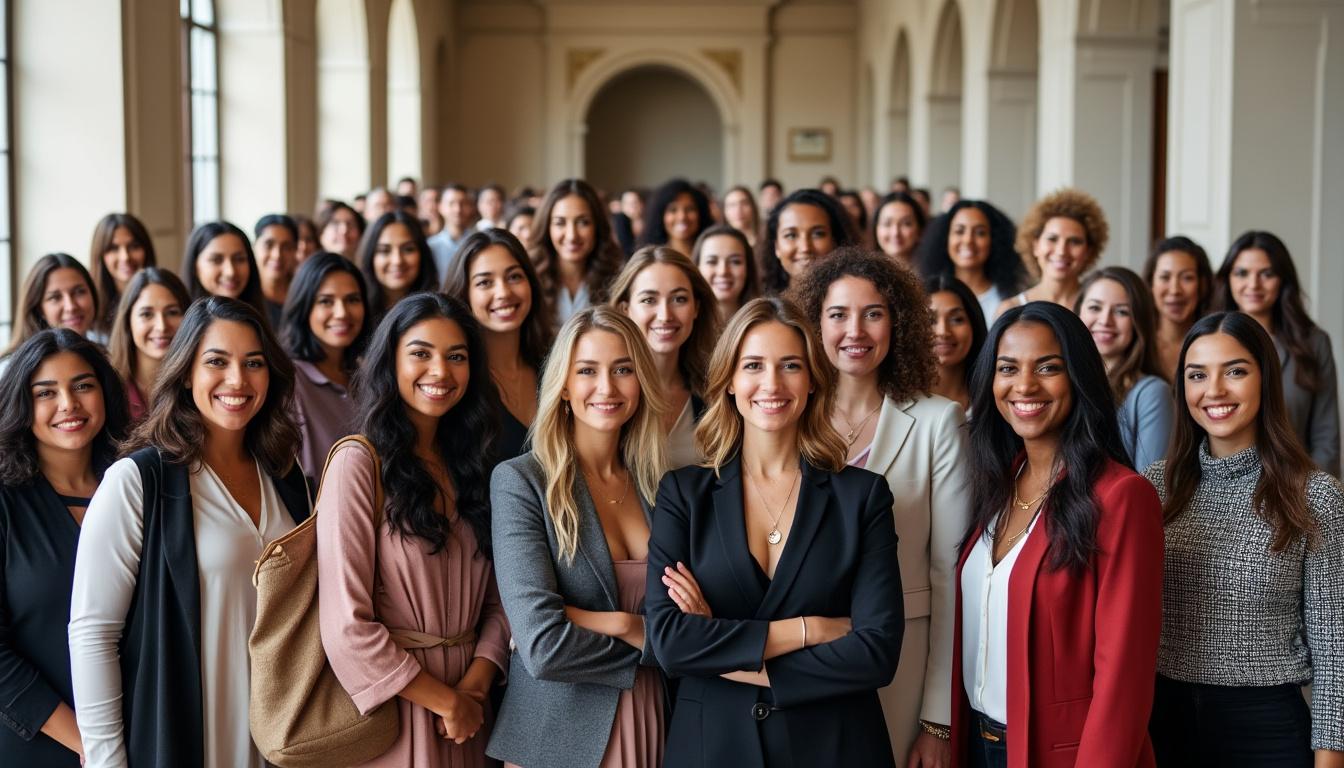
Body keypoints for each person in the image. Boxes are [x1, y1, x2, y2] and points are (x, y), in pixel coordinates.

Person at [646, 296, 904, 767]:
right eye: (753, 365)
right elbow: (672, 643)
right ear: (728, 382)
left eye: (790, 366)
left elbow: (875, 653)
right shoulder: (683, 495)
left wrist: (720, 644)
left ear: (812, 383)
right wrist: (812, 629)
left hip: (836, 747)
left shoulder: (862, 497)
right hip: (713, 747)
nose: (772, 383)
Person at [69, 297, 311, 768]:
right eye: (216, 362)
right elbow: (94, 635)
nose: (237, 380)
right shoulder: (138, 481)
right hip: (186, 732)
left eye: (254, 363)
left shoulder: (286, 474)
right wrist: (106, 761)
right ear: (184, 373)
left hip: (283, 734)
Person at [951, 301, 1164, 768]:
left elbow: (1123, 677)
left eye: (1048, 368)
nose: (1025, 385)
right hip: (976, 741)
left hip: (1061, 754)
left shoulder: (1122, 497)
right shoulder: (996, 482)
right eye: (1008, 368)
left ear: (1079, 378)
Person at [790, 250, 970, 766]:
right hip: (800, 653)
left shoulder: (939, 422)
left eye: (873, 313)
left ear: (898, 324)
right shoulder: (787, 415)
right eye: (838, 314)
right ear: (813, 323)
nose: (856, 330)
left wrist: (938, 718)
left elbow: (948, 573)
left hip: (901, 660)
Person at [1143, 311, 1343, 766]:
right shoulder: (1154, 489)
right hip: (1161, 721)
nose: (1214, 391)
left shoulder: (1315, 496)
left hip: (1266, 729)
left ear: (1265, 380)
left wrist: (1331, 759)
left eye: (1235, 371)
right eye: (1197, 375)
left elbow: (1336, 653)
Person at [317, 293, 509, 766]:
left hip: (471, 715)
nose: (440, 372)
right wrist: (444, 701)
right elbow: (346, 625)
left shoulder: (474, 465)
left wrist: (474, 690)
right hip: (393, 712)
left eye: (456, 357)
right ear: (391, 361)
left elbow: (500, 602)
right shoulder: (358, 463)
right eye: (421, 353)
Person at [488, 307, 670, 768]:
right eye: (587, 370)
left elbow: (695, 624)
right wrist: (641, 634)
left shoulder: (662, 488)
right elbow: (544, 648)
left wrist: (618, 625)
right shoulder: (521, 481)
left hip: (654, 722)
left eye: (623, 370)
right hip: (556, 736)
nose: (606, 387)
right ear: (564, 385)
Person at [0, 330, 128, 767]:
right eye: (46, 392)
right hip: (38, 742)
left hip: (143, 734)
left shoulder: (138, 486)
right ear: (22, 404)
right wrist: (90, 743)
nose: (69, 404)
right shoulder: (5, 500)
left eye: (83, 385)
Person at [1213, 230, 1338, 475]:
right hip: (1220, 488)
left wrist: (1314, 499)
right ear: (1228, 279)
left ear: (1282, 280)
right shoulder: (1206, 342)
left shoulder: (1313, 343)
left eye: (1267, 274)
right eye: (1242, 273)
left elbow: (1327, 439)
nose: (1253, 284)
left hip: (1295, 488)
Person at [444, 229, 553, 461]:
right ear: (465, 295)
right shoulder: (455, 379)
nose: (503, 292)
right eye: (485, 282)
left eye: (514, 277)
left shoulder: (555, 365)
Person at [610, 246, 720, 469]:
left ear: (696, 308)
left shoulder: (714, 393)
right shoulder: (605, 390)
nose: (665, 315)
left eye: (679, 299)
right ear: (625, 310)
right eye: (649, 300)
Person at [280, 252, 370, 480]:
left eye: (352, 300)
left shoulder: (368, 375)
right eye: (326, 301)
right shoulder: (288, 380)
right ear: (305, 307)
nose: (342, 313)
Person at [1075, 267, 1173, 472]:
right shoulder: (1063, 383)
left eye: (1121, 311)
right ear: (1078, 312)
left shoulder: (1151, 393)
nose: (1105, 321)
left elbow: (1151, 489)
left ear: (1139, 321)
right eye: (1095, 308)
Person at [528, 178, 625, 326]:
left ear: (597, 226)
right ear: (547, 227)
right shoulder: (529, 278)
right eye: (560, 223)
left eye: (583, 222)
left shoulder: (617, 280)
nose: (572, 235)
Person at [996, 188, 1107, 317]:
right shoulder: (1011, 309)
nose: (1061, 251)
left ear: (1088, 251)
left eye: (1074, 241)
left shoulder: (1098, 308)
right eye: (1052, 239)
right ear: (1035, 245)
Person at [105, 268, 191, 422]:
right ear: (127, 322)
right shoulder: (108, 389)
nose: (161, 326)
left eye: (172, 312)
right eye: (146, 314)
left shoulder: (198, 387)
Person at [916, 200, 1024, 323]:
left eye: (980, 233)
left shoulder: (1010, 301)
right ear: (945, 239)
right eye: (959, 231)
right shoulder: (926, 296)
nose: (968, 240)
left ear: (994, 240)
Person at [1142, 236, 1213, 382]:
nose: (1175, 290)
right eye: (1165, 277)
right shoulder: (1138, 344)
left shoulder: (1216, 343)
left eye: (1187, 278)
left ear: (1202, 284)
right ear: (1151, 284)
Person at [759, 189, 857, 293]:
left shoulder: (856, 301)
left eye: (817, 234)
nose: (805, 247)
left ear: (835, 240)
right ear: (776, 246)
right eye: (791, 235)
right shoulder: (762, 306)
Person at [5, 255, 100, 356]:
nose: (71, 307)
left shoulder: (107, 354)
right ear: (38, 309)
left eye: (79, 292)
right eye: (55, 297)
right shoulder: (14, 367)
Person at [358, 211, 441, 325]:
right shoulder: (357, 312)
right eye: (385, 251)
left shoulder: (439, 312)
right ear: (370, 257)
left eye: (408, 249)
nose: (397, 261)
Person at [180, 220, 270, 321]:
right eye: (216, 260)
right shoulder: (177, 322)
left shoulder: (262, 320)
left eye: (239, 259)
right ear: (195, 266)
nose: (230, 272)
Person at [925, 274, 987, 415]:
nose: (943, 332)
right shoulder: (897, 399)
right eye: (930, 321)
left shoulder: (993, 397)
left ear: (974, 325)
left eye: (957, 320)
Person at [88, 213, 157, 336]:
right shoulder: (90, 306)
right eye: (113, 249)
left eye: (134, 246)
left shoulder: (163, 294)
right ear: (100, 255)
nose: (125, 257)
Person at [692, 224, 760, 321]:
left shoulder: (764, 323)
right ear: (697, 268)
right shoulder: (684, 326)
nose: (723, 271)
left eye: (735, 261)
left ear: (748, 268)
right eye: (712, 261)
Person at [639, 178, 712, 257]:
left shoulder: (711, 254)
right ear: (660, 216)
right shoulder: (650, 258)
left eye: (690, 209)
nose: (682, 217)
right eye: (673, 210)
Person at [254, 214, 300, 327]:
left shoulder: (303, 294)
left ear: (295, 251)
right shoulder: (243, 297)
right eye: (269, 245)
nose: (277, 255)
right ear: (254, 246)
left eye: (286, 247)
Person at [428, 184, 475, 277]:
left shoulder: (478, 243)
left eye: (463, 203)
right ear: (440, 207)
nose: (458, 209)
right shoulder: (431, 246)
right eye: (451, 203)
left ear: (470, 207)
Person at [872, 191, 927, 268]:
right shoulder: (864, 276)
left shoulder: (935, 275)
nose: (895, 233)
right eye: (887, 224)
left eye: (906, 223)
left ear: (920, 230)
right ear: (876, 229)